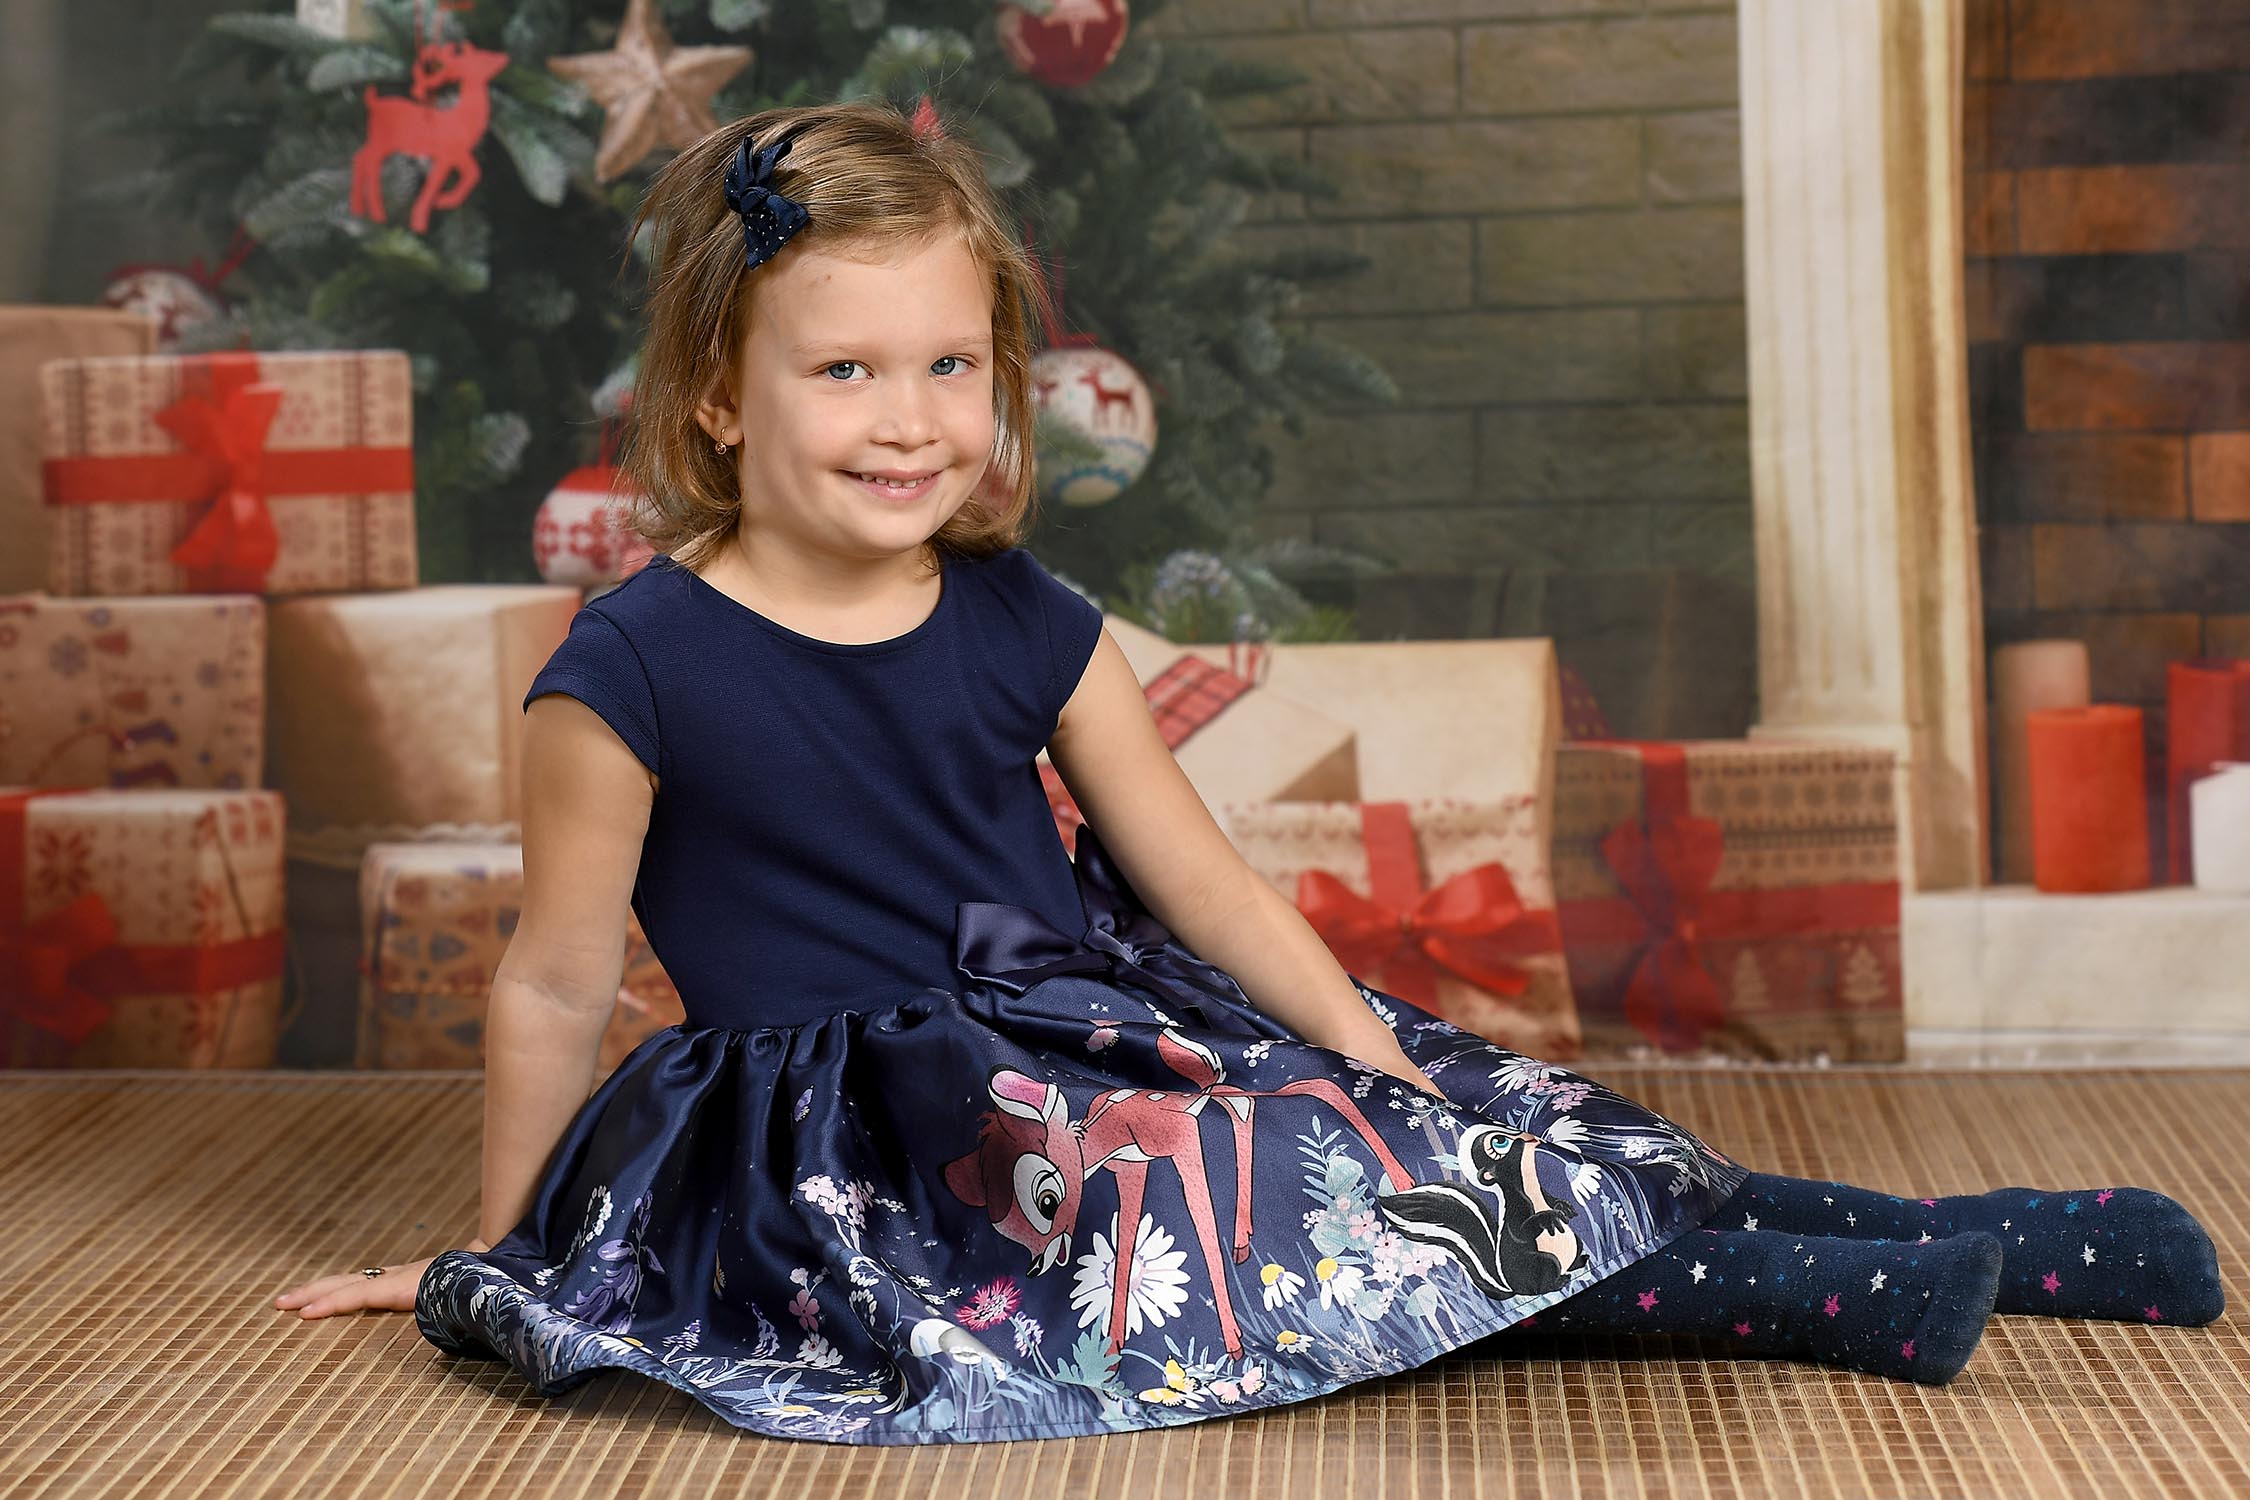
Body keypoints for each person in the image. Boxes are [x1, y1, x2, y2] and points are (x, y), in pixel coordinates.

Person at [272, 100, 2224, 1446]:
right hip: (889, 1154)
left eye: (950, 367)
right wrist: (498, 1254)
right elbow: (556, 977)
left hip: (1099, 1033)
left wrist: (1367, 1048)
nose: (911, 419)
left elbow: (1199, 884)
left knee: (1462, 1122)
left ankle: (1969, 1229)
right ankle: (1803, 1298)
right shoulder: (628, 667)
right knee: (1296, 1212)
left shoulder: (1025, 617)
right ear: (718, 393)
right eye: (843, 370)